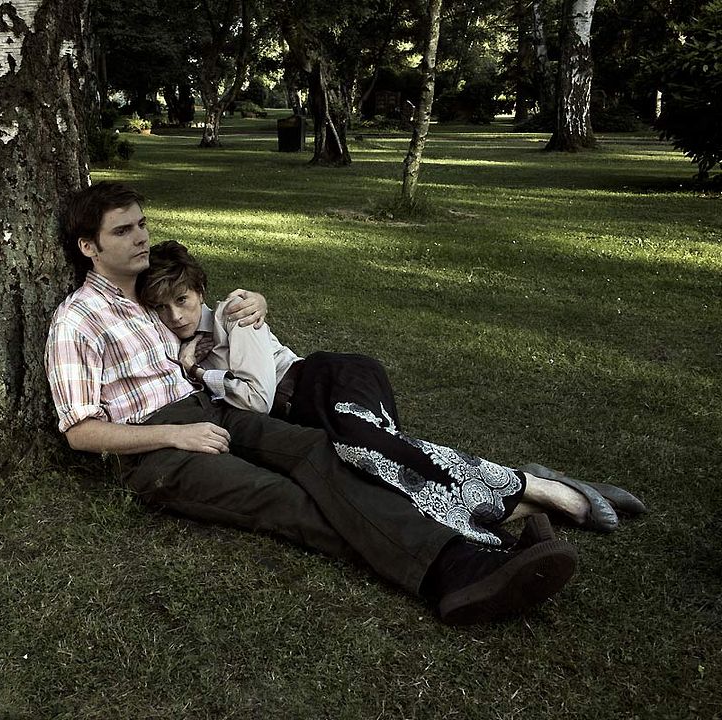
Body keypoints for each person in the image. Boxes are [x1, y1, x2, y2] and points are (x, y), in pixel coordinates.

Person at [45, 181, 581, 625]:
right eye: (123, 231)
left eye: (141, 224)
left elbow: (202, 320)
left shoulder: (143, 295)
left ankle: (478, 536)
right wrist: (174, 435)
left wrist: (254, 305)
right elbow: (80, 431)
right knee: (284, 498)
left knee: (325, 455)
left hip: (212, 411)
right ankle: (458, 573)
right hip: (159, 449)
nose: (140, 238)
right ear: (89, 248)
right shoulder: (77, 321)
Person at [138, 240, 647, 546]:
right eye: (162, 310)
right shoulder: (175, 339)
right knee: (387, 475)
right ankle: (532, 494)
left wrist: (201, 372)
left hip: (327, 381)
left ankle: (542, 489)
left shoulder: (235, 313)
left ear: (200, 290)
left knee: (367, 450)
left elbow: (253, 399)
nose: (176, 316)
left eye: (182, 300)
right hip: (311, 414)